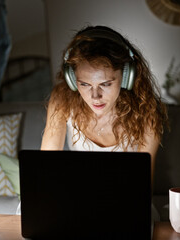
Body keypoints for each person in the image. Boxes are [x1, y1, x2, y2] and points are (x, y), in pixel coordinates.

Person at [41, 25, 168, 183]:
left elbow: (143, 183)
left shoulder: (147, 110)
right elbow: (46, 166)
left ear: (126, 76)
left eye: (106, 84)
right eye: (85, 84)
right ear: (72, 80)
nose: (95, 96)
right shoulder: (62, 98)